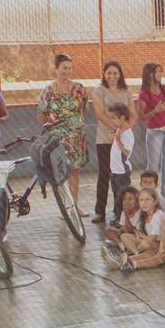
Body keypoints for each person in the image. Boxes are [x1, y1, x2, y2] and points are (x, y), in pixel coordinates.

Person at [38, 54, 89, 216]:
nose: (67, 71)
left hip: (76, 136)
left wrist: (77, 124)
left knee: (75, 171)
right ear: (56, 69)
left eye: (69, 68)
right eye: (64, 68)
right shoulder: (48, 91)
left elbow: (84, 108)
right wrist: (54, 125)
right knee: (60, 172)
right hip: (58, 138)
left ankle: (75, 206)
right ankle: (65, 208)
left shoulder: (79, 88)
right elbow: (41, 115)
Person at [90, 60, 135, 224]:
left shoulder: (126, 92)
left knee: (120, 175)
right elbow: (100, 113)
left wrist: (124, 130)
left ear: (120, 74)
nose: (112, 76)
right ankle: (99, 211)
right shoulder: (98, 91)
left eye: (115, 73)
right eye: (109, 73)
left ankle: (121, 212)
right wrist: (114, 129)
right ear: (104, 74)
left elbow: (132, 114)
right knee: (104, 174)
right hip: (105, 138)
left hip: (121, 140)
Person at [138, 62, 165, 190]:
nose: (161, 74)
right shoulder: (144, 94)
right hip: (155, 132)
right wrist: (156, 111)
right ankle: (149, 195)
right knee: (153, 167)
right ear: (150, 75)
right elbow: (141, 117)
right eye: (158, 71)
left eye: (161, 71)